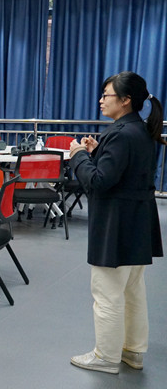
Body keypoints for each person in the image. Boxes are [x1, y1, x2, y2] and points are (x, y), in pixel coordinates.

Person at [68, 71, 164, 374]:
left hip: (116, 224)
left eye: (106, 94)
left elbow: (99, 182)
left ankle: (106, 356)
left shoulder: (121, 134)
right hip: (137, 222)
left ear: (125, 100)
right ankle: (133, 350)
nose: (100, 100)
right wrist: (98, 152)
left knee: (107, 293)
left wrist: (78, 156)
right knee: (132, 291)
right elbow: (124, 171)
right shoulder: (139, 130)